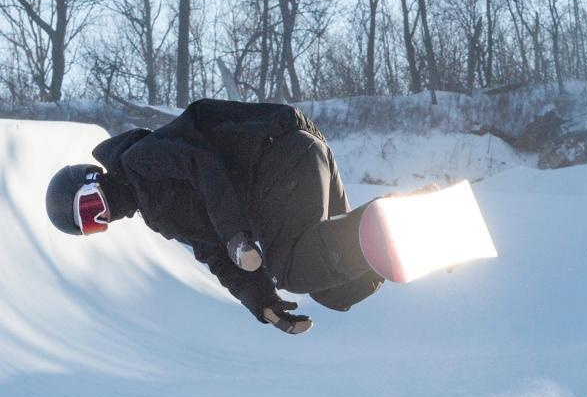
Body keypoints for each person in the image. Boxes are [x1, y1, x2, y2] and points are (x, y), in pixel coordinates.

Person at [45, 99, 385, 335]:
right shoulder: (156, 211)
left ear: (94, 177)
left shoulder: (140, 159)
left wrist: (235, 234)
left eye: (91, 206)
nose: (104, 216)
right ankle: (416, 231)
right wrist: (261, 300)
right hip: (296, 156)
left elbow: (202, 166)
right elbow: (213, 251)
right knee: (336, 290)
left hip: (277, 153)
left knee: (292, 268)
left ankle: (394, 221)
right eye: (93, 223)